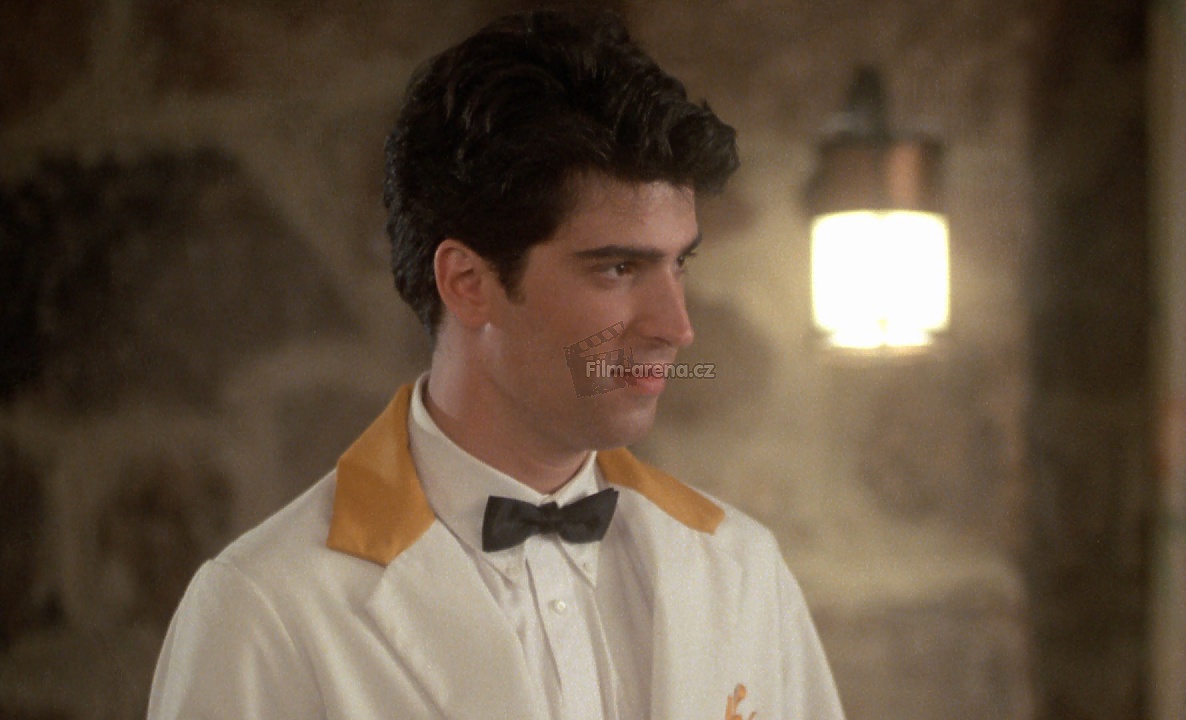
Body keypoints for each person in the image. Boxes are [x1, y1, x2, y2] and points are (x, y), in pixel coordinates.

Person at [148, 8, 845, 720]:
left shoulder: (743, 568)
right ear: (467, 283)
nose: (677, 327)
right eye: (617, 268)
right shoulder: (264, 610)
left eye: (679, 264)